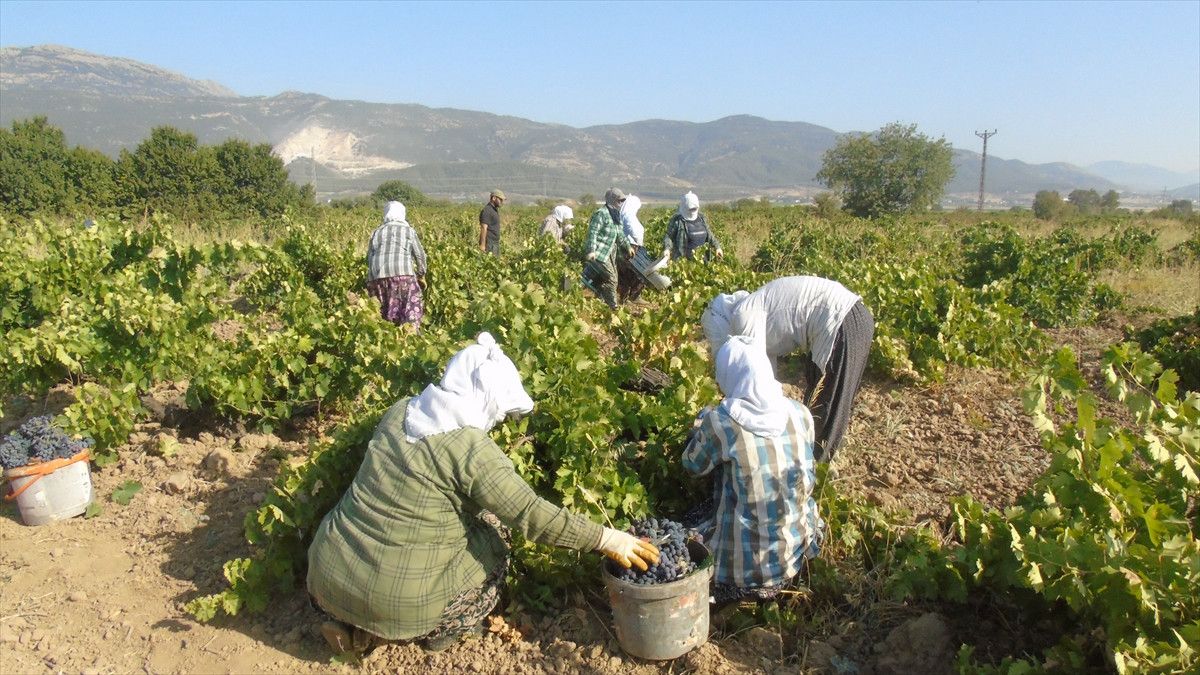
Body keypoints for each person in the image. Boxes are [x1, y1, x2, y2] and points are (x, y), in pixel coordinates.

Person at [307, 332, 659, 655]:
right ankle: (441, 631)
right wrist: (607, 538)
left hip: (324, 570)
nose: (501, 419)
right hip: (398, 600)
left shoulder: (401, 411)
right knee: (496, 541)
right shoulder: (470, 450)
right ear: (486, 399)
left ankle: (351, 623)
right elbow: (532, 516)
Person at [681, 329, 822, 605]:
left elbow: (691, 466)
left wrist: (698, 427)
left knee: (683, 529)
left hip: (742, 569)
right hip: (794, 550)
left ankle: (735, 590)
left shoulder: (723, 423)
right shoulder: (799, 412)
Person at [701, 275, 874, 462]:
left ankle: (812, 475)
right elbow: (764, 380)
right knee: (824, 403)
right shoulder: (758, 309)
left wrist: (728, 414)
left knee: (825, 406)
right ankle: (811, 469)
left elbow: (753, 377)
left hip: (841, 322)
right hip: (852, 318)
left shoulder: (744, 315)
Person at [366, 201, 427, 329]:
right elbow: (420, 255)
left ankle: (389, 338)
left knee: (385, 314)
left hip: (378, 278)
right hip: (404, 276)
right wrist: (421, 274)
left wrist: (371, 282)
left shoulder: (376, 232)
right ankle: (409, 340)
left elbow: (369, 258)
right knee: (411, 312)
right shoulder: (408, 230)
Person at [581, 188, 633, 309]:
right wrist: (591, 250)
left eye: (622, 201)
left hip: (610, 253)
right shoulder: (601, 214)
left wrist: (628, 247)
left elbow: (620, 234)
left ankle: (602, 298)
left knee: (612, 278)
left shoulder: (615, 215)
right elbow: (592, 233)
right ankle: (612, 306)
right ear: (612, 200)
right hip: (599, 252)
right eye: (619, 200)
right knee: (613, 279)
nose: (620, 203)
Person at [663, 191, 723, 262]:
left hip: (703, 262)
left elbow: (710, 235)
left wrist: (717, 247)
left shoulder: (702, 218)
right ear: (685, 207)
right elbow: (668, 236)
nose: (693, 211)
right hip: (684, 264)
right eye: (691, 209)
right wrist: (667, 249)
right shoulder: (678, 221)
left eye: (695, 208)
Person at [616, 194, 647, 303]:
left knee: (624, 272)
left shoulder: (622, 214)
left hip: (624, 246)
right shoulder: (629, 216)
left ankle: (624, 297)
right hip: (631, 246)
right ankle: (634, 297)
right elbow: (635, 233)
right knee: (637, 271)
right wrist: (640, 244)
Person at [478, 189, 505, 255]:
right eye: (500, 199)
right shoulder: (487, 210)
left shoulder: (494, 210)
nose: (502, 202)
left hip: (495, 243)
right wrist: (482, 245)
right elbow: (483, 228)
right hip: (489, 244)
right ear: (494, 198)